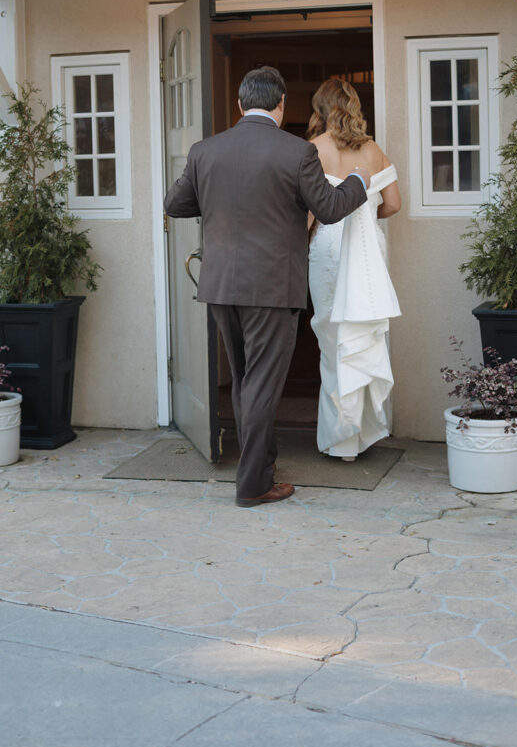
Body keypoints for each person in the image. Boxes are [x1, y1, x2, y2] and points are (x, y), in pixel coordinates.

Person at [164, 66, 368, 507]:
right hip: (273, 287)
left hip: (220, 284)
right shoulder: (296, 152)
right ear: (280, 105)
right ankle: (253, 484)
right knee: (260, 384)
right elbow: (330, 208)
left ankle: (261, 465)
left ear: (239, 105)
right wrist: (357, 182)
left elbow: (175, 205)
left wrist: (218, 198)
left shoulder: (205, 150)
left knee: (243, 381)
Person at [307, 78, 401, 460]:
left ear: (321, 108)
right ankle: (359, 436)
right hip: (367, 250)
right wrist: (365, 217)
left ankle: (340, 439)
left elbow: (308, 212)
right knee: (363, 335)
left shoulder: (311, 150)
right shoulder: (374, 150)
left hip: (329, 248)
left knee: (333, 340)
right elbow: (393, 203)